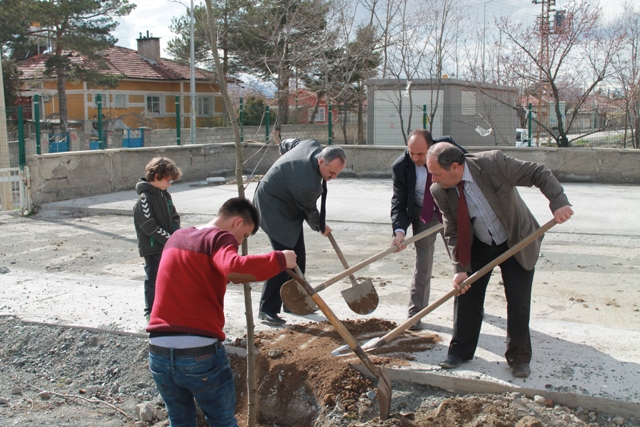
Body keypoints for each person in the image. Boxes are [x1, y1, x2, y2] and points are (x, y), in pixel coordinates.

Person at [146, 197, 297, 427]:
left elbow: (191, 278)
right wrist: (280, 259)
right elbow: (235, 267)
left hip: (158, 351)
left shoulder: (178, 237)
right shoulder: (220, 237)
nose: (240, 241)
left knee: (180, 420)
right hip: (198, 352)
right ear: (237, 223)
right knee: (222, 421)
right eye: (245, 235)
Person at [427, 142, 573, 378]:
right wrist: (460, 268)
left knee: (518, 301)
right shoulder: (439, 191)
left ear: (455, 167)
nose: (433, 179)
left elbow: (538, 172)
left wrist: (559, 202)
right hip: (481, 245)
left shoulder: (493, 163)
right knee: (466, 294)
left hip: (517, 239)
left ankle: (519, 358)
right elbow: (452, 229)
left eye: (436, 173)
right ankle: (460, 351)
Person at [253, 139, 347, 325]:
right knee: (284, 260)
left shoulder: (311, 145)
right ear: (321, 161)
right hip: (273, 207)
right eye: (331, 173)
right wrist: (321, 226)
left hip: (288, 203)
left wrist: (283, 151)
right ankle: (267, 309)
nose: (333, 177)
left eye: (337, 173)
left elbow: (290, 143)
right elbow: (309, 211)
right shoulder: (308, 184)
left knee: (298, 257)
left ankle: (292, 302)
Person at [390, 129, 442, 331]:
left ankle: (468, 302)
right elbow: (399, 202)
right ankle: (416, 312)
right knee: (423, 260)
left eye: (420, 154)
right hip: (424, 212)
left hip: (451, 210)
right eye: (411, 153)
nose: (415, 158)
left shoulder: (447, 150)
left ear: (431, 147)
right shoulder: (401, 166)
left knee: (463, 258)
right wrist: (399, 232)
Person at [133, 157, 182, 321]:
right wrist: (170, 239)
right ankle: (150, 311)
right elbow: (149, 226)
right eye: (169, 180)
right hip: (153, 248)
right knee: (153, 279)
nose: (170, 184)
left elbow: (174, 216)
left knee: (169, 278)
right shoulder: (144, 199)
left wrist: (176, 233)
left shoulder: (166, 196)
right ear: (157, 176)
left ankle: (166, 307)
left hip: (168, 246)